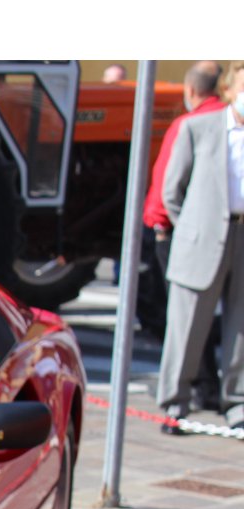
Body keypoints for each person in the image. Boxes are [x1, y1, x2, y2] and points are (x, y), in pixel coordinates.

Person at [156, 61, 244, 433]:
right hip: (202, 239)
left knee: (240, 329)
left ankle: (237, 403)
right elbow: (171, 191)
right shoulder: (198, 127)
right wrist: (192, 229)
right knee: (187, 329)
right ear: (228, 90)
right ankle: (174, 404)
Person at [141, 61, 225, 407]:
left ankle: (195, 390)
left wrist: (173, 224)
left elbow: (168, 186)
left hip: (179, 233)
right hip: (198, 231)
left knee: (184, 319)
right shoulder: (214, 123)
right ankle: (207, 387)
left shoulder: (191, 124)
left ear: (190, 90)